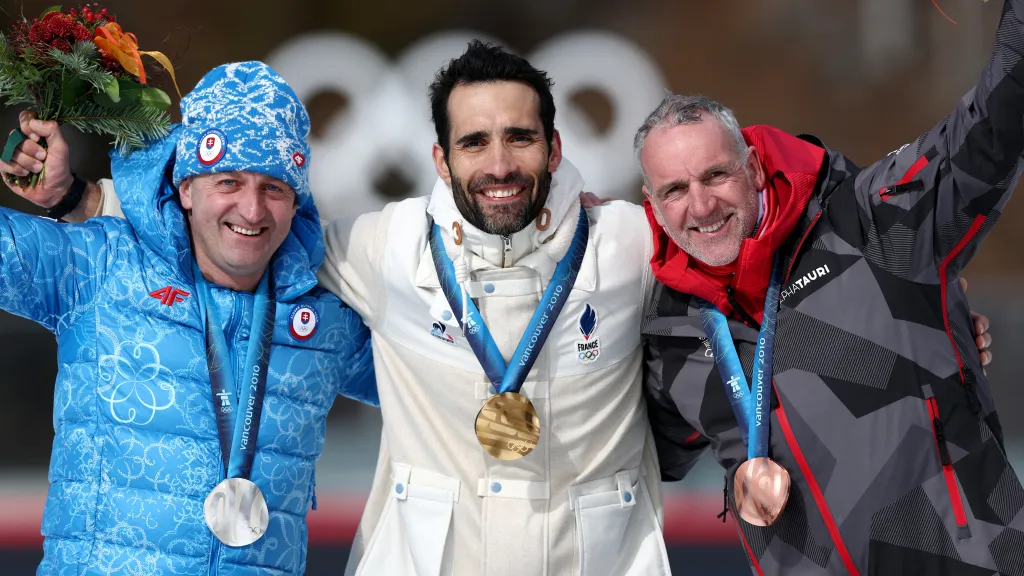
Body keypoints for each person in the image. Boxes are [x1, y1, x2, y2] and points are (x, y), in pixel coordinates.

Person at [2, 41, 997, 576]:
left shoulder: (625, 242)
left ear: (555, 152)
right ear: (439, 160)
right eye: (473, 142)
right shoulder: (359, 253)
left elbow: (742, 265)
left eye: (519, 138)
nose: (498, 163)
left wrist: (921, 318)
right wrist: (90, 197)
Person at [638, 1, 1023, 574]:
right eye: (674, 189)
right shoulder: (672, 332)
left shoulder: (874, 222)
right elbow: (625, 448)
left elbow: (994, 128)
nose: (700, 205)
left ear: (750, 164)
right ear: (651, 204)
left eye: (715, 175)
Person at [0, 61, 375, 575]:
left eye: (274, 188)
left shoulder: (325, 319)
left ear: (295, 202)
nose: (251, 210)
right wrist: (68, 194)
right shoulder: (101, 267)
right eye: (229, 181)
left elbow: (445, 379)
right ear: (185, 187)